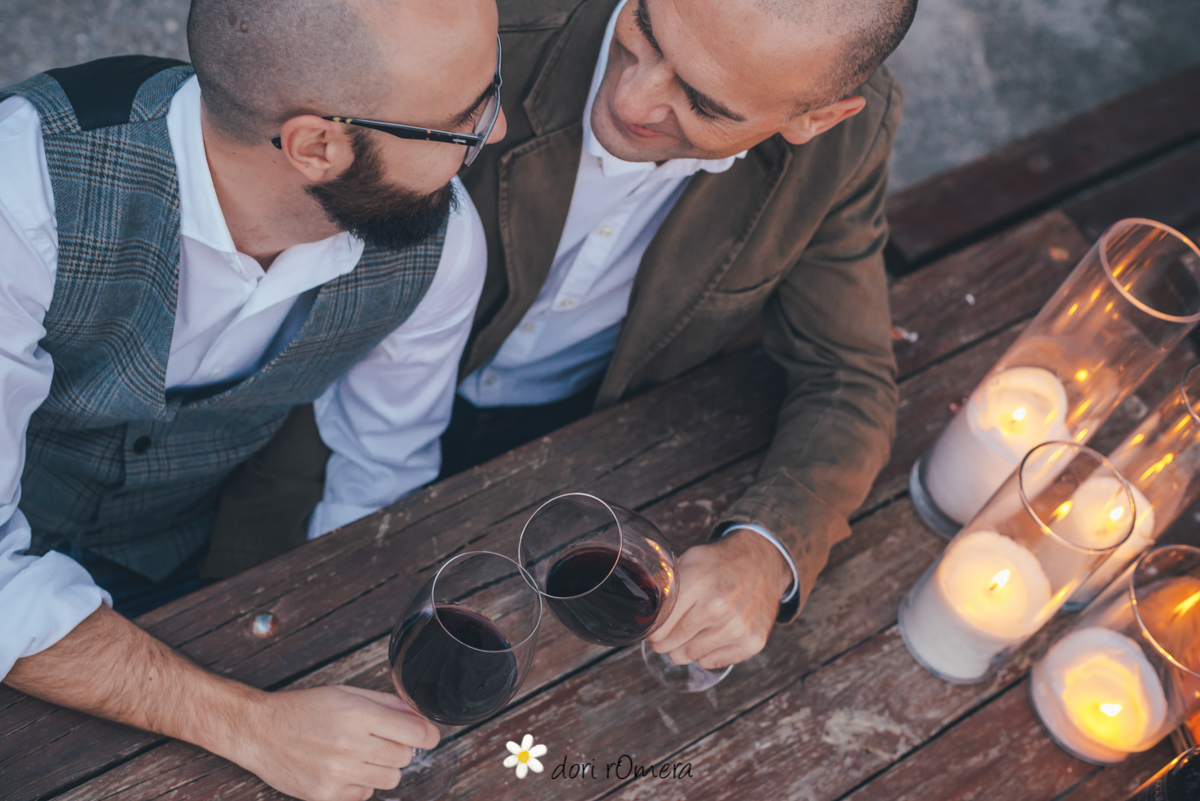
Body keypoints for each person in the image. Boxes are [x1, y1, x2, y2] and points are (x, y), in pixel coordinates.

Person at [224, 0, 914, 673]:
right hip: (332, 417)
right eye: (643, 29)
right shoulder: (469, 30)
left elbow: (847, 376)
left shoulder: (846, 145)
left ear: (816, 118)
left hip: (573, 468)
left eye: (703, 105)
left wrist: (766, 549)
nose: (633, 98)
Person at [0, 0, 505, 797]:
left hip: (182, 580)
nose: (500, 130)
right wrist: (251, 724)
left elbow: (378, 473)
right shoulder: (20, 195)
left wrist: (346, 671)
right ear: (317, 145)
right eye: (464, 123)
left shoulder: (440, 248)